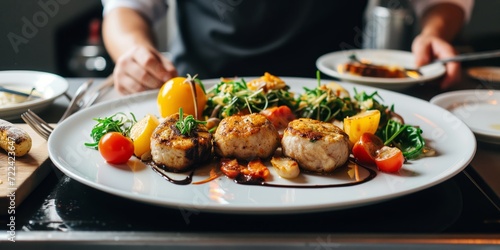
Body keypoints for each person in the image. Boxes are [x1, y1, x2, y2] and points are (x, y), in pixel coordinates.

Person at [101, 0, 473, 94]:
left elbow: (443, 2)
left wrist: (434, 31)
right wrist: (134, 52)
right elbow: (126, 8)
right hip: (199, 95)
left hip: (334, 97)